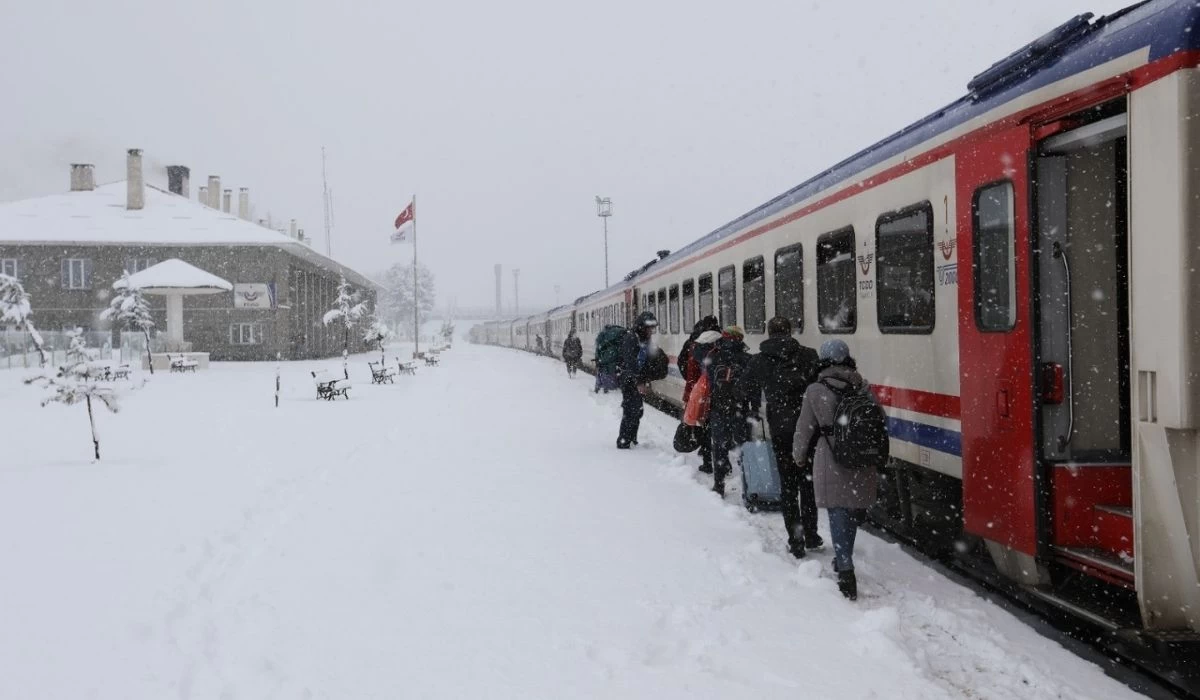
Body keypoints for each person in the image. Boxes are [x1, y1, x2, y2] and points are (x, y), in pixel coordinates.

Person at [792, 339, 880, 601]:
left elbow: (804, 428)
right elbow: (879, 420)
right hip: (859, 456)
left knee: (838, 510)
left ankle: (845, 568)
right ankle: (845, 559)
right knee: (850, 509)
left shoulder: (816, 389)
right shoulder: (862, 385)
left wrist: (798, 456)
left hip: (830, 456)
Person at [739, 316, 823, 559]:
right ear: (790, 331)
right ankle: (812, 534)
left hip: (781, 428)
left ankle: (795, 541)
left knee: (788, 486)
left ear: (769, 333)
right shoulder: (808, 355)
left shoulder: (760, 360)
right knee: (807, 482)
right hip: (808, 426)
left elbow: (743, 388)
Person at [705, 325, 751, 496]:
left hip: (718, 406)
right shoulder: (746, 357)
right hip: (740, 408)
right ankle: (749, 486)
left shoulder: (713, 355)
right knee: (744, 448)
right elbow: (752, 386)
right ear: (739, 338)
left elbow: (709, 379)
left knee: (719, 447)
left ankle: (719, 485)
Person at [681, 316, 722, 473]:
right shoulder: (722, 343)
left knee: (702, 426)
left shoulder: (696, 345)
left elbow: (691, 372)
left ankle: (707, 460)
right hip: (720, 392)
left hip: (701, 393)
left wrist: (690, 393)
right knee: (717, 429)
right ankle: (723, 463)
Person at [615, 311, 658, 449]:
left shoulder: (645, 339)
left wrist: (646, 378)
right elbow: (630, 362)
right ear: (642, 327)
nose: (652, 331)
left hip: (636, 379)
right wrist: (639, 382)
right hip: (628, 380)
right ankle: (623, 441)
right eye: (649, 328)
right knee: (630, 409)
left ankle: (632, 438)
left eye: (653, 328)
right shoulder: (631, 339)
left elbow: (645, 362)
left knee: (637, 410)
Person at [594, 324, 624, 393]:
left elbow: (598, 349)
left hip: (606, 362)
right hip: (617, 362)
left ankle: (600, 389)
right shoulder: (619, 333)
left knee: (602, 373)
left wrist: (597, 360)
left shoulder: (602, 335)